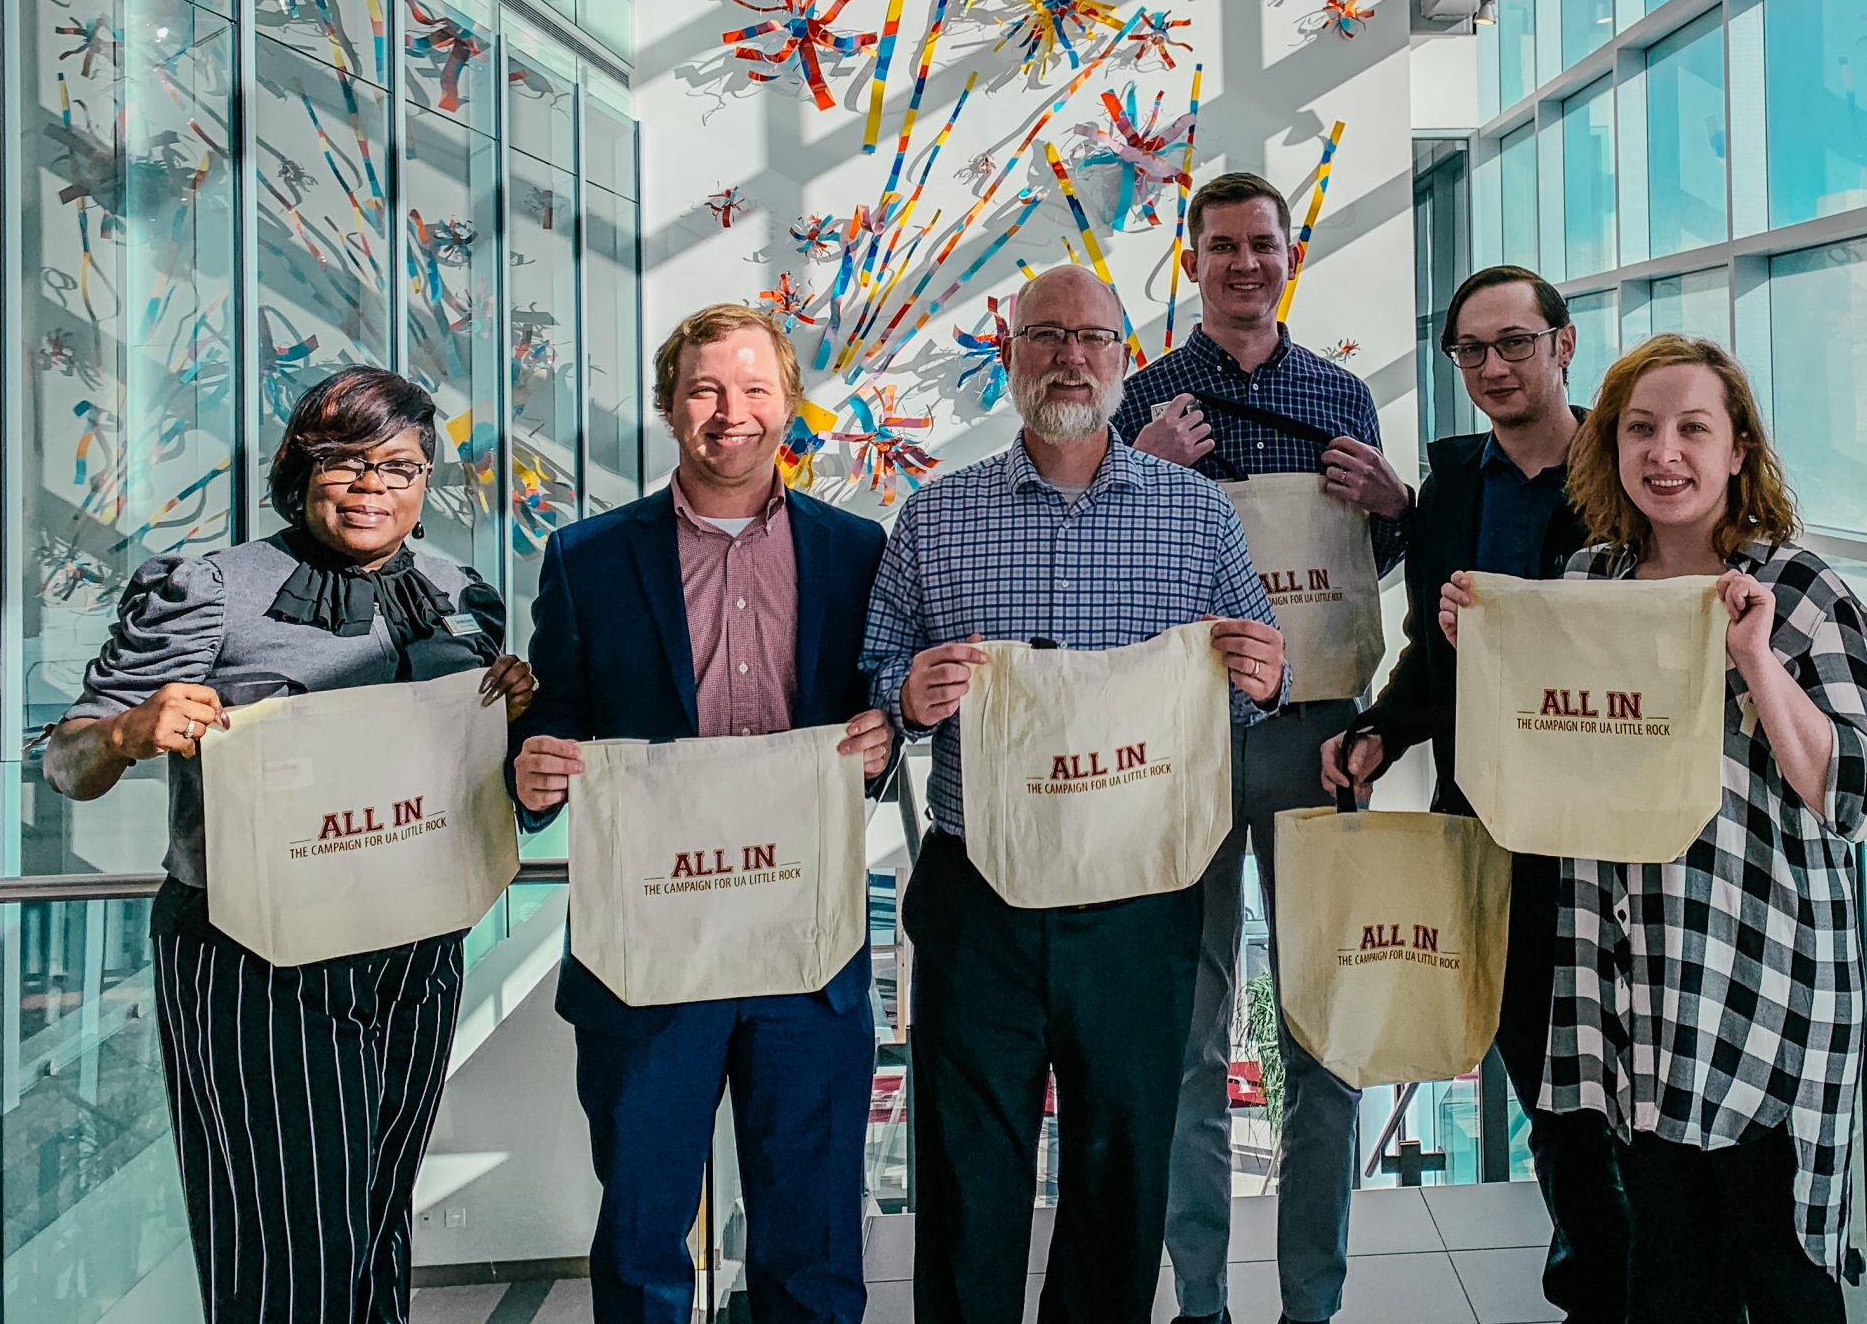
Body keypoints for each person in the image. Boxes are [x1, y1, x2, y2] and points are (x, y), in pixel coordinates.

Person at [42, 367, 533, 1324]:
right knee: (284, 1242)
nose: (371, 487)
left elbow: (477, 778)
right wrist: (129, 731)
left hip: (416, 947)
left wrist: (515, 718)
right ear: (299, 471)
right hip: (253, 956)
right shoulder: (215, 590)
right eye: (344, 462)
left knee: (380, 1222)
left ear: (426, 479)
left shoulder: (460, 597)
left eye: (398, 466)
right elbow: (66, 763)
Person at [864, 263, 1290, 1324]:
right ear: (1008, 356)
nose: (1069, 357)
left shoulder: (1197, 517)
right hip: (978, 897)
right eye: (1044, 336)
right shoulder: (933, 516)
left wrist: (1266, 680)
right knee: (967, 1173)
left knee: (1122, 1167)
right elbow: (874, 680)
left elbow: (1247, 694)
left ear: (1124, 358)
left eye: (1093, 338)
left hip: (1138, 896)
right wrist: (907, 695)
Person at [1457, 334, 1867, 1321]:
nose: (1665, 453)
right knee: (1668, 1280)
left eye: (1693, 428)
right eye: (1640, 430)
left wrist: (1756, 660)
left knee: (1780, 1279)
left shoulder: (1802, 590)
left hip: (1765, 992)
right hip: (1633, 994)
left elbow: (1857, 793)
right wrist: (1488, 649)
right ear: (1608, 449)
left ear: (1737, 450)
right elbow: (1538, 772)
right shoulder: (1588, 583)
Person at [509, 305, 893, 1324]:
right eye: (707, 391)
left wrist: (886, 744)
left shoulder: (859, 551)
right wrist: (533, 769)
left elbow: (885, 711)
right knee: (641, 1249)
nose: (733, 413)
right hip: (647, 957)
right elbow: (553, 720)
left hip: (807, 953)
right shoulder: (586, 558)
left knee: (811, 1248)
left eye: (757, 389)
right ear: (669, 406)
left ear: (790, 404)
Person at [1110, 171, 1410, 1324]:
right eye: (1221, 246)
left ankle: (1310, 1306)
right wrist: (1144, 473)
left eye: (1262, 245)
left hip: (1320, 738)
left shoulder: (1340, 394)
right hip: (1176, 742)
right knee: (1186, 1040)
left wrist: (1392, 503)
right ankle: (1199, 1304)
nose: (1244, 263)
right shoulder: (1148, 400)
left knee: (1321, 1030)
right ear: (1192, 265)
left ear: (1293, 257)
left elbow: (1358, 584)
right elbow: (1106, 584)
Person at [1322, 266, 1628, 1324]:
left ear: (1564, 344)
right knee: (1545, 1081)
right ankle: (1596, 1280)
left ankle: (1638, 1278)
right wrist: (1377, 729)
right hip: (1492, 826)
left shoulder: (1633, 466)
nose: (1494, 367)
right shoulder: (1452, 484)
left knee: (1635, 1086)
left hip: (1621, 831)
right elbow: (1429, 658)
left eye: (1514, 343)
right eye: (1471, 352)